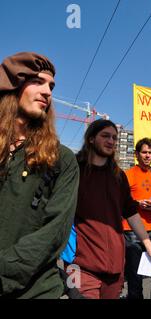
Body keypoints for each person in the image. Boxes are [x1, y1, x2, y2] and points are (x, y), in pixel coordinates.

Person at [0, 52, 79, 298]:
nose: (48, 92)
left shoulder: (62, 159)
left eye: (51, 86)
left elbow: (54, 232)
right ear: (12, 86)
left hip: (36, 291)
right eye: (37, 82)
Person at [65, 120, 151, 299]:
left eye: (114, 138)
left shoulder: (119, 177)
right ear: (91, 138)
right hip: (80, 266)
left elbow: (131, 212)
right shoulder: (73, 171)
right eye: (105, 136)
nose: (111, 141)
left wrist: (147, 243)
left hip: (115, 269)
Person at [122, 137, 151, 299]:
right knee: (135, 278)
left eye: (150, 152)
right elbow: (120, 201)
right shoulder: (127, 175)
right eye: (144, 152)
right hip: (132, 231)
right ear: (137, 154)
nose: (147, 155)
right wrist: (137, 204)